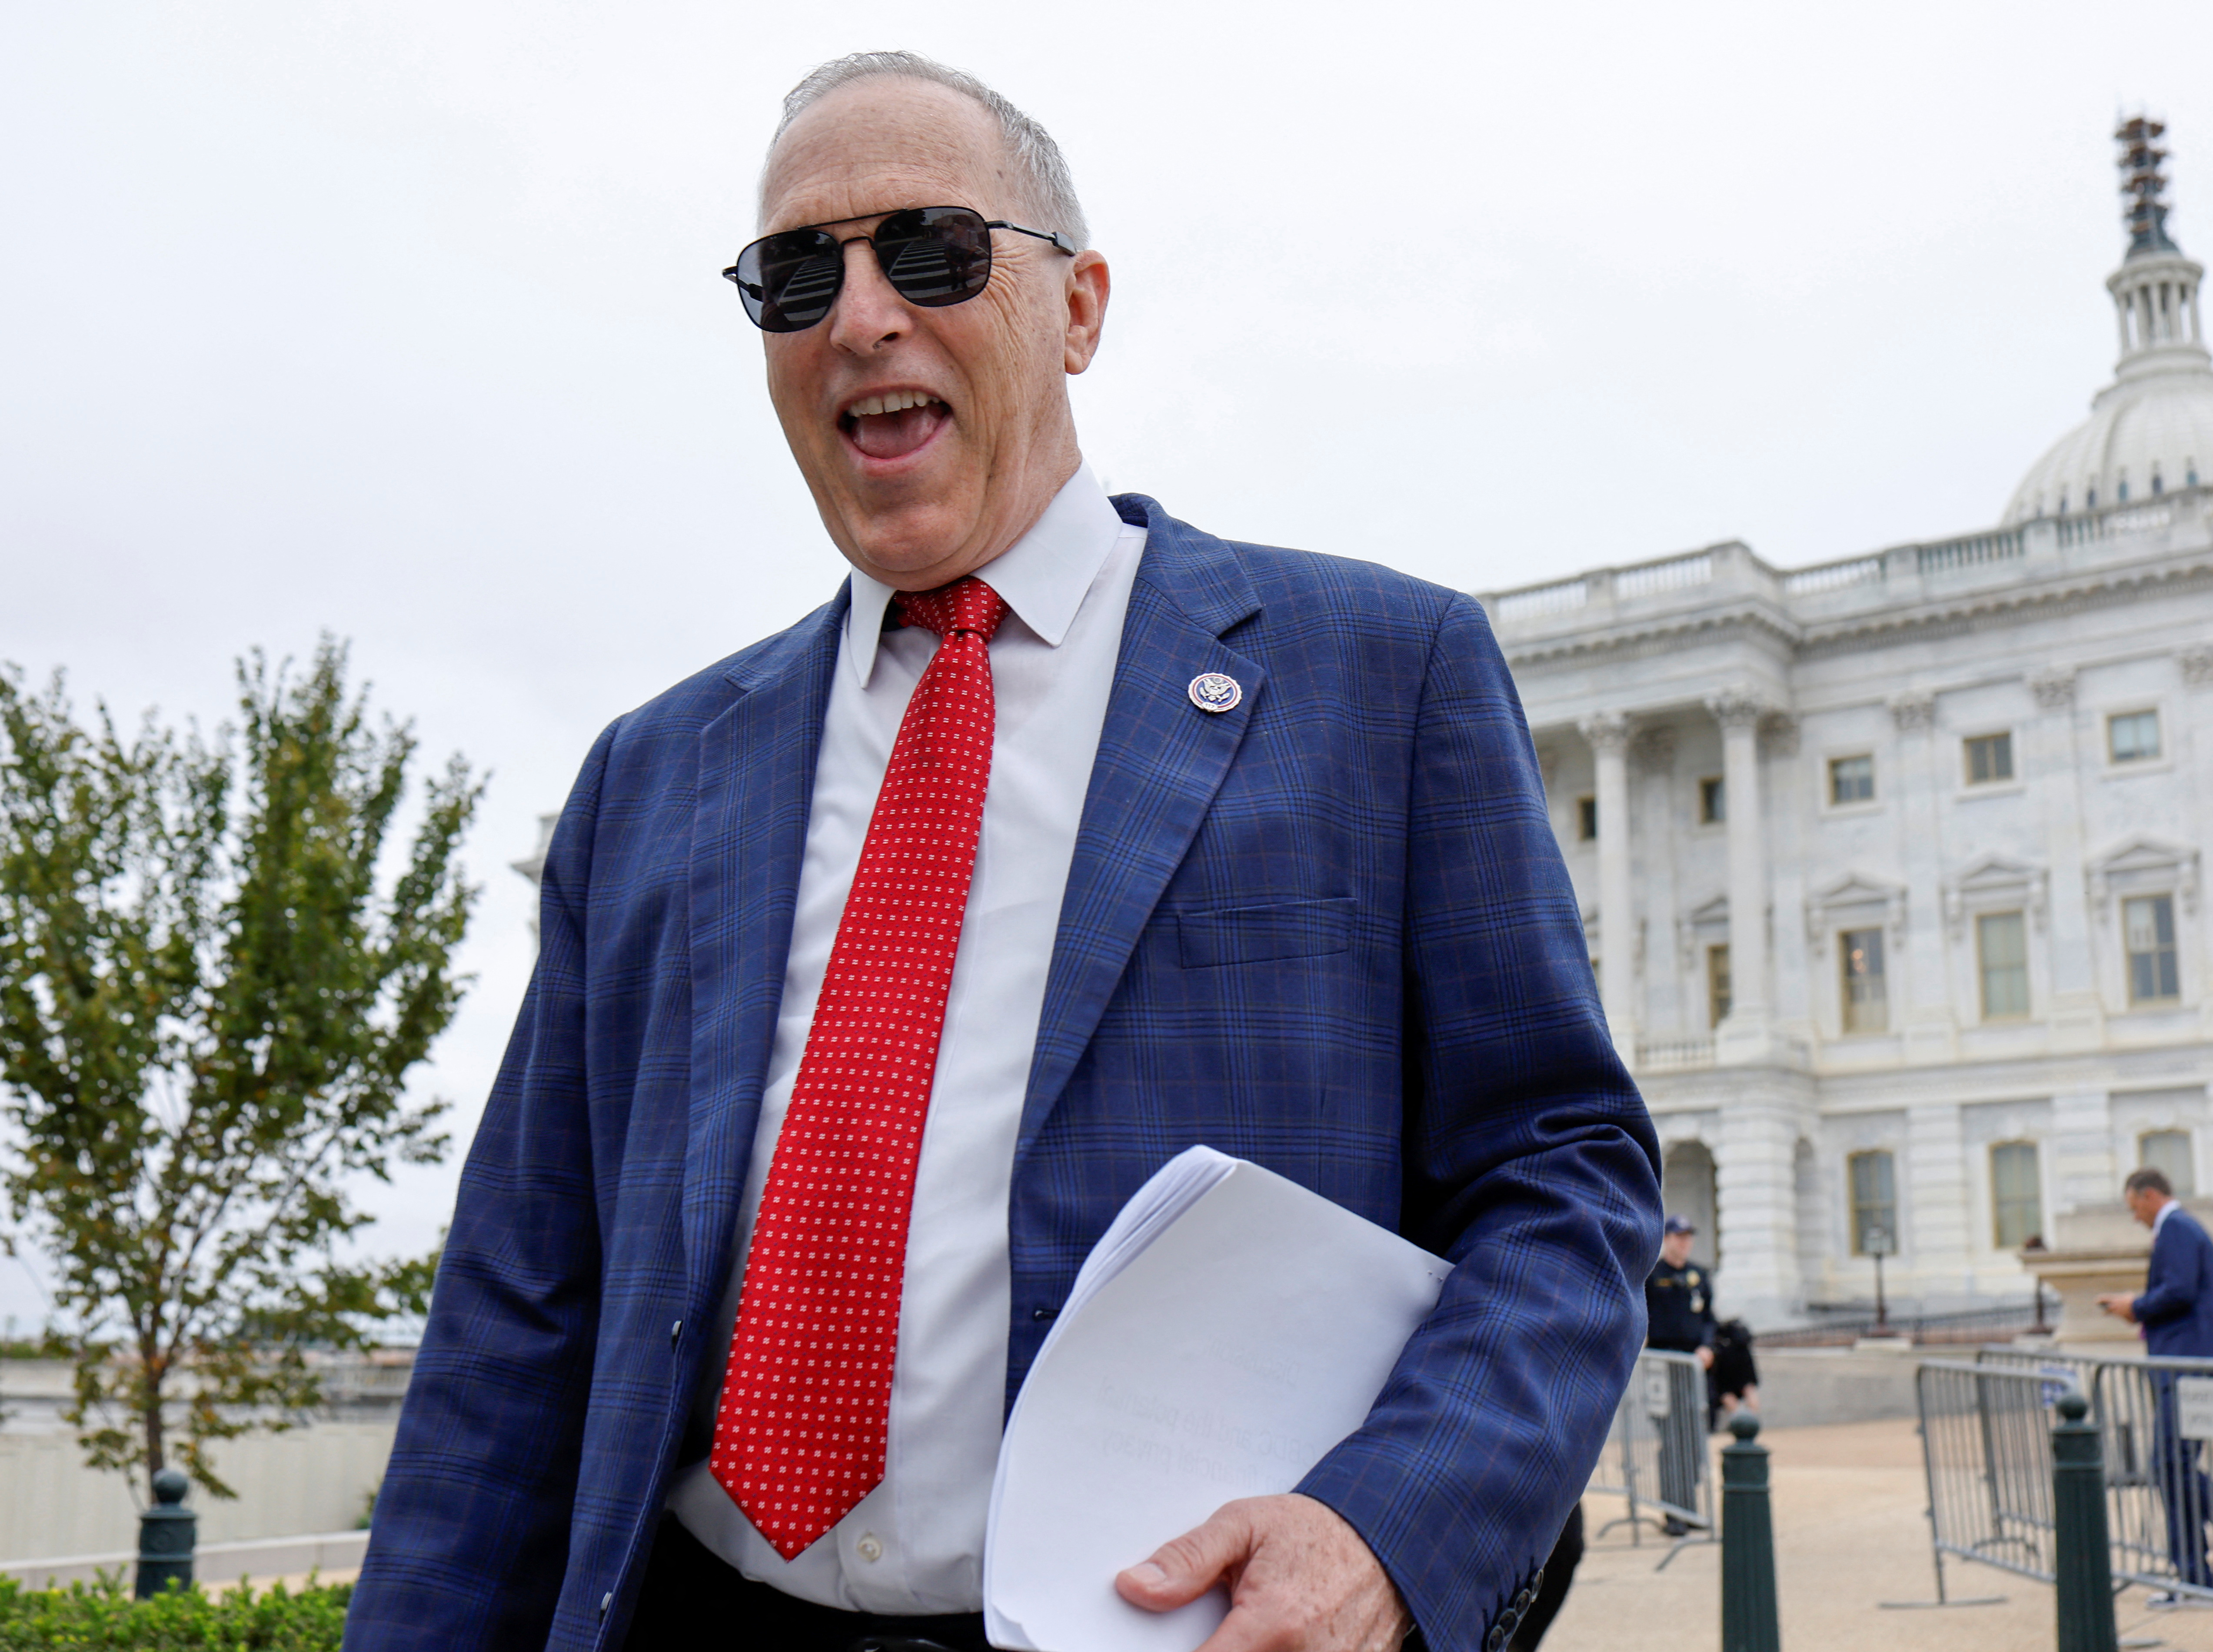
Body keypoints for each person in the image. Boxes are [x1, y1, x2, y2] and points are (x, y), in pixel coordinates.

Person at [342, 49, 1659, 1652]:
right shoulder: (652, 775)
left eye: (930, 249)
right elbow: (517, 1311)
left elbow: (1564, 1175)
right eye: (795, 273)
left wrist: (1388, 1523)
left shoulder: (1381, 679)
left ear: (1081, 308)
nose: (861, 313)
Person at [2097, 1168, 2213, 1609]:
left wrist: (2136, 1306)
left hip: (2192, 1368)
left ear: (2149, 1196)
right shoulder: (2182, 1230)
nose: (2135, 1218)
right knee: (2171, 1467)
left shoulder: (2177, 1229)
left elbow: (2179, 1291)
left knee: (2170, 1465)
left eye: (2134, 1208)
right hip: (2194, 1365)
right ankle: (2196, 1579)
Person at [1641, 1217, 1715, 1535]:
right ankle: (1672, 1512)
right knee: (1671, 1441)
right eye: (1677, 1236)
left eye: (1687, 1236)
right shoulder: (1652, 1275)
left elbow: (1710, 1318)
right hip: (1663, 1365)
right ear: (1667, 1238)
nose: (1683, 1242)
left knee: (1693, 1441)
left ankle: (1688, 1508)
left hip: (1693, 1367)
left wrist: (1709, 1347)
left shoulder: (1698, 1275)